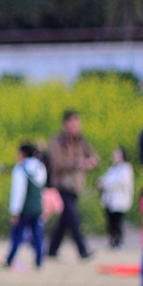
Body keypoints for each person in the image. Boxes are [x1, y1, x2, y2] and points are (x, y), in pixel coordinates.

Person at [47, 110, 99, 260]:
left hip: (76, 186)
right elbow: (57, 163)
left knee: (64, 221)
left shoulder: (81, 140)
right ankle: (82, 250)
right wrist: (78, 163)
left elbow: (94, 156)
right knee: (74, 218)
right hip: (61, 185)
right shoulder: (57, 141)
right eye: (73, 123)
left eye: (78, 123)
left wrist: (91, 162)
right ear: (65, 124)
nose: (76, 126)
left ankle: (52, 250)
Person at [4, 144, 47, 268]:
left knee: (17, 235)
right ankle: (39, 261)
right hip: (37, 208)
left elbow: (18, 192)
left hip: (24, 208)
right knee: (38, 236)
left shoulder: (20, 168)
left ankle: (9, 260)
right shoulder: (40, 167)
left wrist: (14, 211)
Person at [97, 147, 134, 248]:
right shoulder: (112, 168)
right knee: (111, 222)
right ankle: (112, 240)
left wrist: (106, 184)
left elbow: (120, 182)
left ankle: (119, 241)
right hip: (110, 200)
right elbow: (104, 180)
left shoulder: (126, 168)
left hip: (120, 200)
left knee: (118, 222)